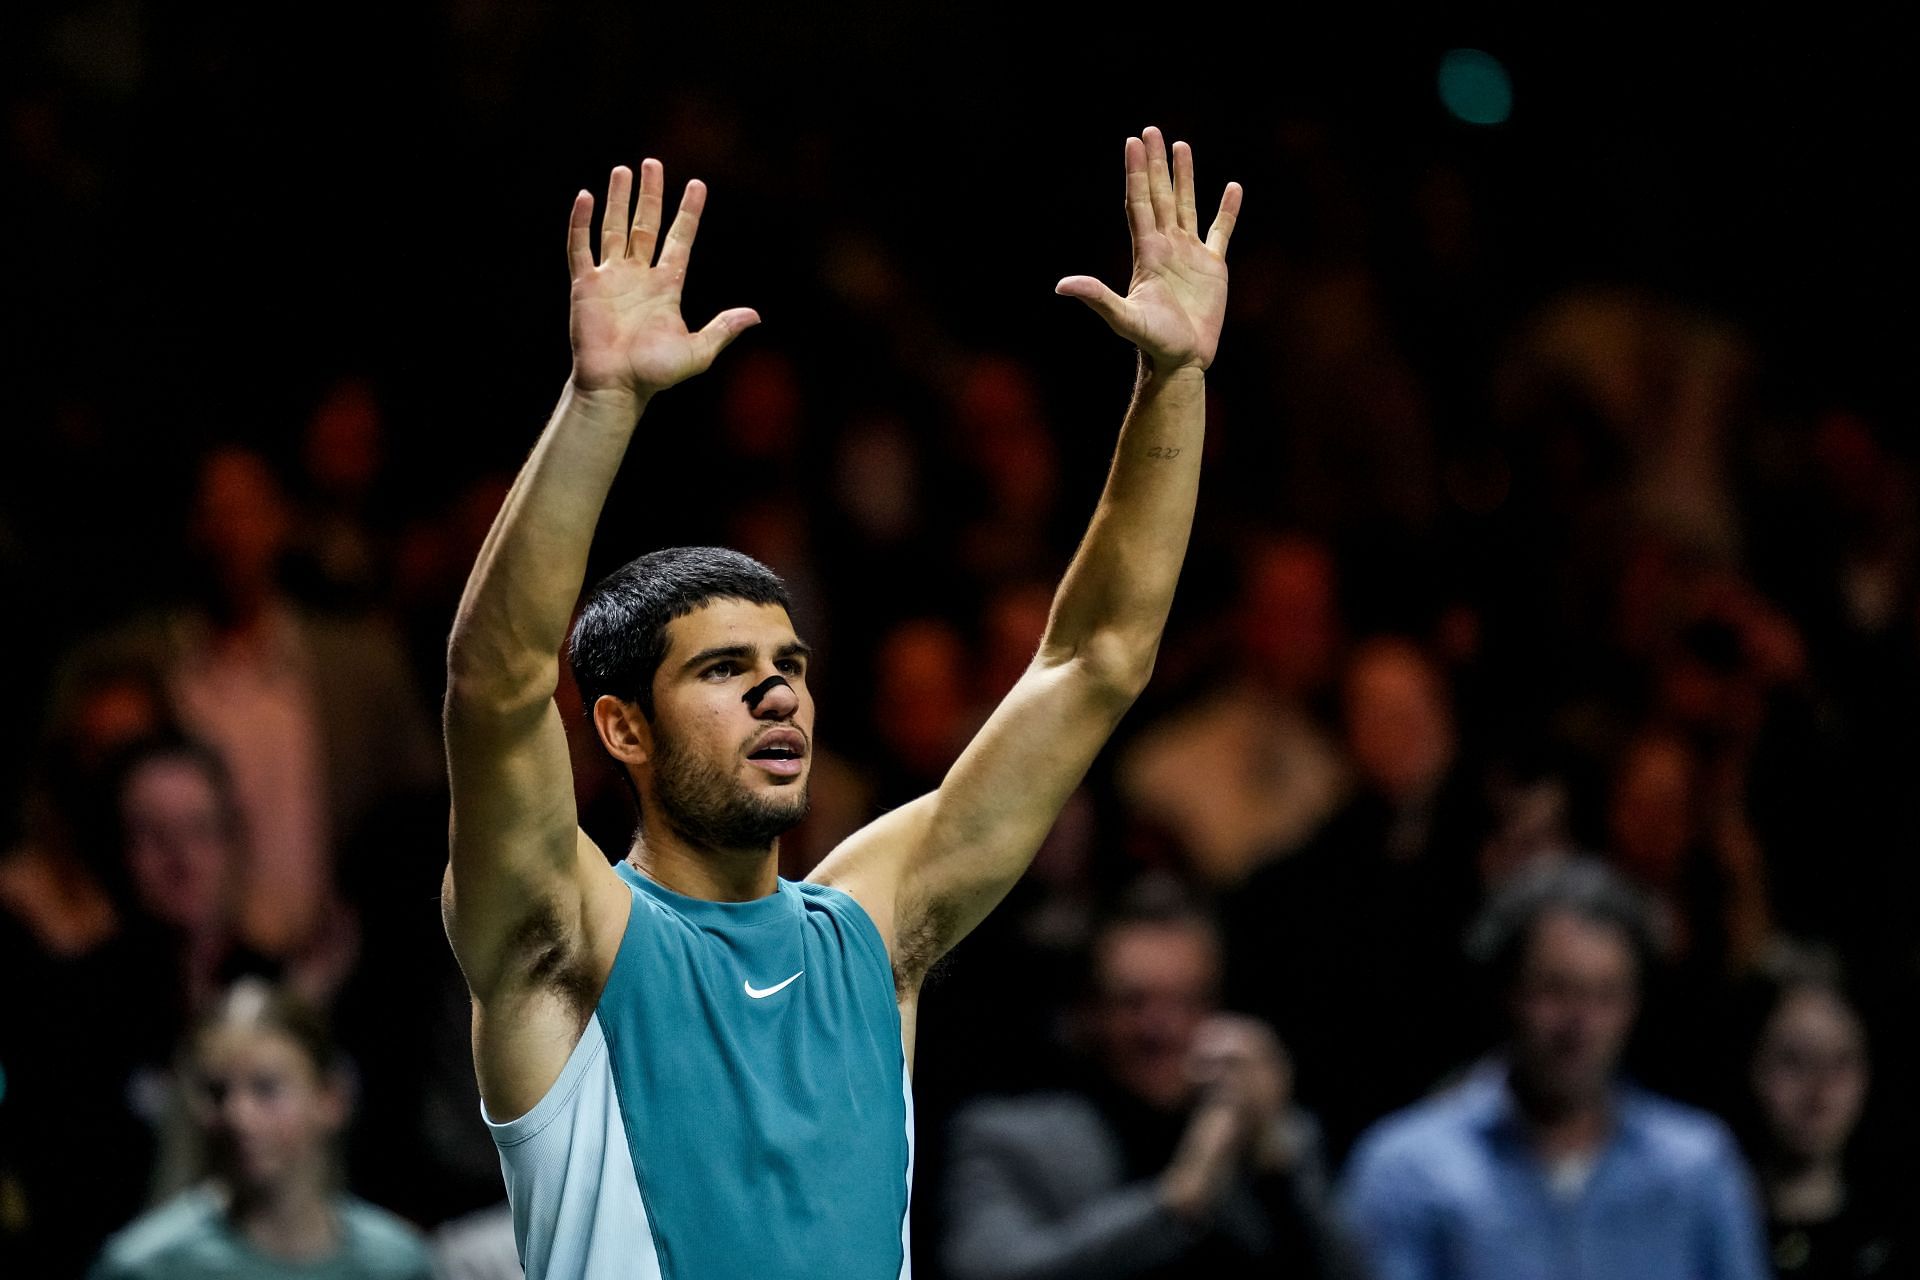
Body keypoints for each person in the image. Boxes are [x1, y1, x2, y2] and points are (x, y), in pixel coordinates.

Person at [441, 128, 1241, 1278]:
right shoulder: (562, 937)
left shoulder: (873, 925)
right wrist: (601, 403)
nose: (777, 686)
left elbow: (1097, 658)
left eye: (791, 662)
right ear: (621, 726)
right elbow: (495, 680)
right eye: (722, 668)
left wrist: (1174, 377)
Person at [1339, 858, 1769, 1280]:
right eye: (1555, 990)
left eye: (1606, 995)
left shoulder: (1696, 1167)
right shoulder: (1410, 1169)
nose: (1580, 1023)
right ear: (1505, 992)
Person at [942, 882, 1353, 1280]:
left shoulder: (1278, 1140)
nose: (1161, 1029)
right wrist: (1178, 1201)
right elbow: (987, 1271)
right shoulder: (1006, 1140)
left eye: (1187, 1001)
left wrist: (1276, 1164)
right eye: (1133, 1003)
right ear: (1087, 1012)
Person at [89, 977, 431, 1280]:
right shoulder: (147, 1266)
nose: (239, 1115)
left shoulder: (397, 1263)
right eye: (217, 1092)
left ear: (331, 1098)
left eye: (266, 1088)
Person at [1738, 947, 1912, 1279]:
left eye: (1841, 1062)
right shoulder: (1710, 1222)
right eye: (1793, 1061)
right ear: (1754, 1067)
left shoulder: (1898, 1234)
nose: (1819, 1090)